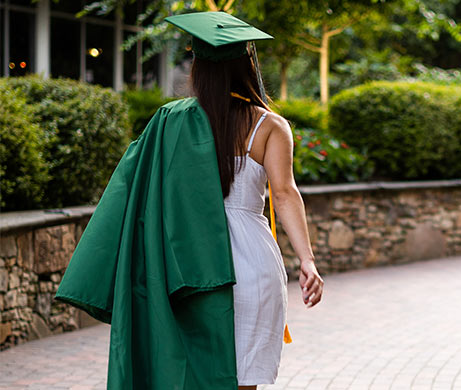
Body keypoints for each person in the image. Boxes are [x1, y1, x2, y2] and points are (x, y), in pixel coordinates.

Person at [55, 11, 322, 390]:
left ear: (197, 66)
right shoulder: (270, 126)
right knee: (243, 381)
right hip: (251, 267)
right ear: (247, 65)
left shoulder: (168, 121)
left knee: (187, 377)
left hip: (185, 266)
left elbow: (129, 194)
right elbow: (284, 194)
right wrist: (307, 261)